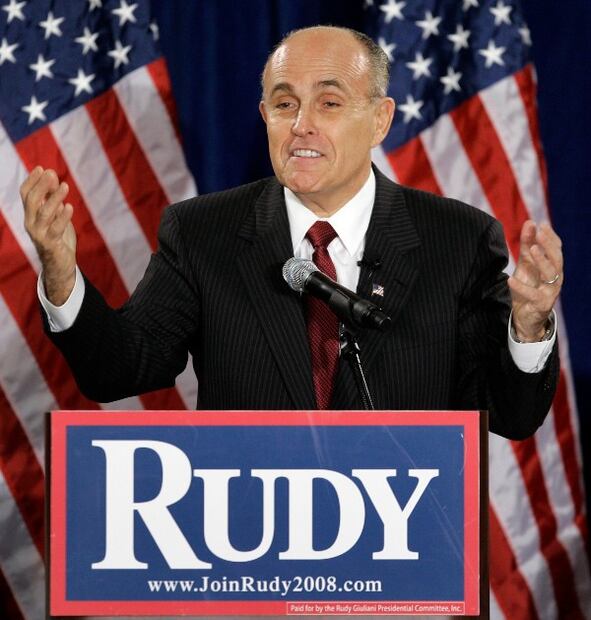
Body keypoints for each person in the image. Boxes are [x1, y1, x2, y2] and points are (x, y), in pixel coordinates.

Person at [20, 26, 562, 439]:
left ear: (380, 120)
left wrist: (529, 325)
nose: (302, 124)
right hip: (249, 539)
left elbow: (510, 415)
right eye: (284, 104)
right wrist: (63, 278)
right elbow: (119, 369)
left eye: (329, 103)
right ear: (265, 116)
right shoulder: (202, 233)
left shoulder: (459, 240)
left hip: (404, 539)